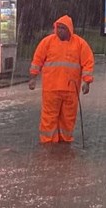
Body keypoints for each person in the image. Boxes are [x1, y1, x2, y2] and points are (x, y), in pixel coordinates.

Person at [28, 15, 94, 144]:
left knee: (68, 118)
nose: (59, 31)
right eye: (58, 28)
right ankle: (48, 142)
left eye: (62, 28)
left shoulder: (80, 44)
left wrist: (87, 82)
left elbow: (88, 63)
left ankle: (65, 141)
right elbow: (37, 60)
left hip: (71, 89)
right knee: (49, 118)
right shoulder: (47, 42)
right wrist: (33, 78)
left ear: (69, 29)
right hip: (51, 89)